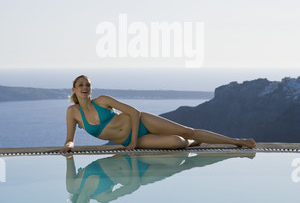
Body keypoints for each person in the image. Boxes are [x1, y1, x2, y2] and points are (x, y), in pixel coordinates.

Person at [59, 75, 256, 154]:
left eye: (88, 84)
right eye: (81, 85)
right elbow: (70, 140)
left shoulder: (102, 100)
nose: (85, 87)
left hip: (141, 123)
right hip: (132, 140)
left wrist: (134, 142)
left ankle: (238, 141)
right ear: (74, 90)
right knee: (177, 143)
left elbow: (134, 113)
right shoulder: (73, 112)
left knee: (188, 131)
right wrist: (68, 146)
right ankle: (192, 144)